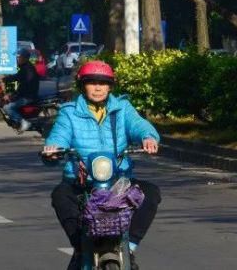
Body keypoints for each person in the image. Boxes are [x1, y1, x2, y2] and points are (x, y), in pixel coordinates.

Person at [42, 60, 161, 270]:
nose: (97, 88)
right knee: (60, 195)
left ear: (110, 86)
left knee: (150, 193)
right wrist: (53, 149)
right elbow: (59, 136)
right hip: (81, 183)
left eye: (103, 83)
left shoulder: (122, 108)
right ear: (82, 85)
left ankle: (130, 247)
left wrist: (148, 137)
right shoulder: (69, 112)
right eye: (92, 82)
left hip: (118, 183)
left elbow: (139, 125)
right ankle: (79, 247)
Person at [3, 47, 41, 132]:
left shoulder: (27, 70)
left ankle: (23, 122)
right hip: (26, 95)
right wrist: (5, 79)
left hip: (28, 97)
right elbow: (16, 77)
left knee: (7, 108)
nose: (17, 59)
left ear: (24, 58)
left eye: (19, 57)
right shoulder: (25, 68)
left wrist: (13, 95)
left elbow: (24, 86)